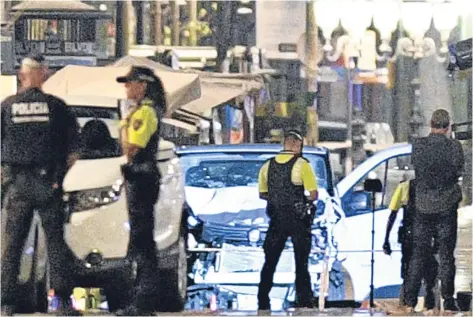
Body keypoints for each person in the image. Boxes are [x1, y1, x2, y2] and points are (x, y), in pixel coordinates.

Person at [1, 54, 81, 316]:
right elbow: (73, 150)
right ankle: (63, 303)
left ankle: (6, 302)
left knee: (13, 246)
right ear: (43, 75)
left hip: (19, 182)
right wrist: (59, 176)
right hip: (48, 182)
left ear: (22, 76)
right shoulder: (56, 107)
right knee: (55, 244)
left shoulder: (8, 106)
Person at [401, 109, 464, 313]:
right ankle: (448, 299)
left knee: (418, 254)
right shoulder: (454, 147)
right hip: (446, 205)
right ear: (447, 126)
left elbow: (417, 169)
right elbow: (458, 170)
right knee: (446, 255)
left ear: (430, 123)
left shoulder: (418, 146)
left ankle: (409, 300)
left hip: (423, 206)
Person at [115, 66, 163, 316]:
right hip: (142, 178)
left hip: (141, 178)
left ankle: (144, 301)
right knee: (140, 241)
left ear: (142, 85)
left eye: (130, 83)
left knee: (142, 242)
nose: (127, 88)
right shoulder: (143, 111)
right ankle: (142, 299)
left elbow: (130, 148)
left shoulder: (144, 112)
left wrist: (124, 124)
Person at [257, 130, 318, 311]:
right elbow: (313, 194)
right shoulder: (302, 165)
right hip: (298, 220)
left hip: (276, 220)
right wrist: (303, 200)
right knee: (301, 262)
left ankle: (262, 297)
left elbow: (262, 193)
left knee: (270, 261)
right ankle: (304, 299)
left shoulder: (267, 165)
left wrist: (277, 199)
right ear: (297, 145)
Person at [382, 177, 439, 312]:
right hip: (426, 238)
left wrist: (386, 240)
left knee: (409, 275)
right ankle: (429, 308)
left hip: (410, 238)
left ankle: (408, 306)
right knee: (429, 276)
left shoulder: (404, 187)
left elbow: (393, 215)